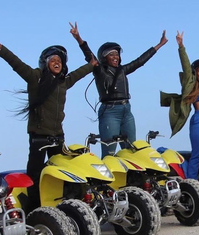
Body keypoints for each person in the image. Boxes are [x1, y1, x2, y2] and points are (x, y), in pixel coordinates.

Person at [0, 32, 96, 211]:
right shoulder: (35, 77)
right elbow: (17, 64)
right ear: (45, 63)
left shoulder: (64, 82)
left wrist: (82, 43)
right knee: (35, 175)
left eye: (60, 60)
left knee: (61, 174)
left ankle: (61, 208)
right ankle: (34, 210)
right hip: (39, 136)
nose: (57, 62)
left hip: (58, 135)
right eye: (53, 59)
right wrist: (0, 47)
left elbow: (89, 66)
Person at [69, 22, 168, 157]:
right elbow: (89, 55)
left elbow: (140, 61)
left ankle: (130, 178)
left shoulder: (122, 70)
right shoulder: (99, 70)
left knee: (131, 150)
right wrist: (78, 38)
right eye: (111, 54)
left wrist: (160, 45)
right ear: (104, 57)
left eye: (117, 54)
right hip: (110, 111)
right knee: (109, 151)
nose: (115, 57)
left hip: (126, 110)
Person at [160, 31, 199, 179]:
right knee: (197, 153)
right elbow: (185, 65)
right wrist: (181, 45)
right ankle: (192, 183)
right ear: (195, 72)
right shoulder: (191, 83)